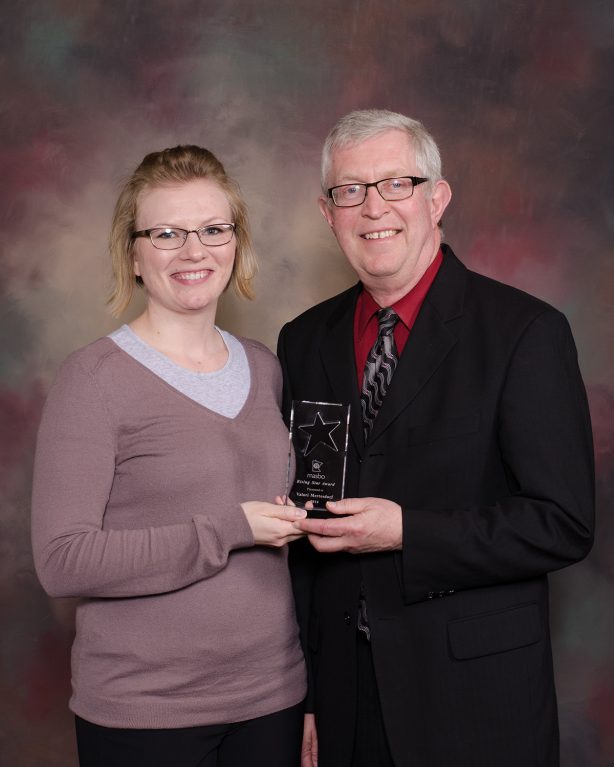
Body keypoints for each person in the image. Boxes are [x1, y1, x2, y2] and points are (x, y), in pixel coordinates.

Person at [277, 110, 595, 767]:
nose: (373, 208)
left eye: (397, 183)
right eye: (350, 190)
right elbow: (306, 530)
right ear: (327, 211)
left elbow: (562, 522)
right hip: (344, 698)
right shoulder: (304, 340)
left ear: (437, 197)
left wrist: (407, 532)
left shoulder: (523, 332)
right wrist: (304, 690)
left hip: (473, 697)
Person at [31, 145, 307, 767]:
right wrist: (232, 528)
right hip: (146, 712)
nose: (193, 250)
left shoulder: (266, 366)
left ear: (236, 244)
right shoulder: (94, 379)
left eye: (213, 229)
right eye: (166, 233)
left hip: (273, 699)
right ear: (132, 253)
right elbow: (62, 561)